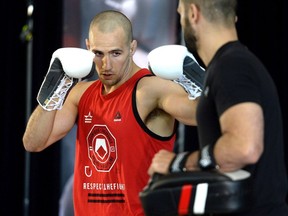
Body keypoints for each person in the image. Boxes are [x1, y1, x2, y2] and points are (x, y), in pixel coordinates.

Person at [22, 10, 200, 216]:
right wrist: (51, 91)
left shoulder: (151, 90)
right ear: (88, 47)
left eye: (116, 53)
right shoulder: (80, 94)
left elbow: (204, 116)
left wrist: (196, 78)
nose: (106, 65)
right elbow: (33, 143)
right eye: (98, 53)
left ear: (132, 48)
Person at [148, 0, 288, 215]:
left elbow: (245, 147)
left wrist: (179, 162)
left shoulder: (232, 67)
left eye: (181, 13)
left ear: (193, 14)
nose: (181, 19)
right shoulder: (229, 65)